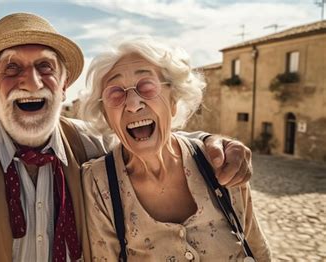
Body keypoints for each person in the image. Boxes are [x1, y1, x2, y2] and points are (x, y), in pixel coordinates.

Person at [0, 13, 253, 262]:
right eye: (11, 68)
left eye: (45, 67)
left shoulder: (89, 145)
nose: (30, 80)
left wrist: (204, 143)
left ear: (63, 86)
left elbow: (144, 145)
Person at [80, 38, 271, 261]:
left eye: (147, 86)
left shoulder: (221, 162)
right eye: (116, 93)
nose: (133, 104)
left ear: (173, 100)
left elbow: (258, 251)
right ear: (106, 115)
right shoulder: (98, 182)